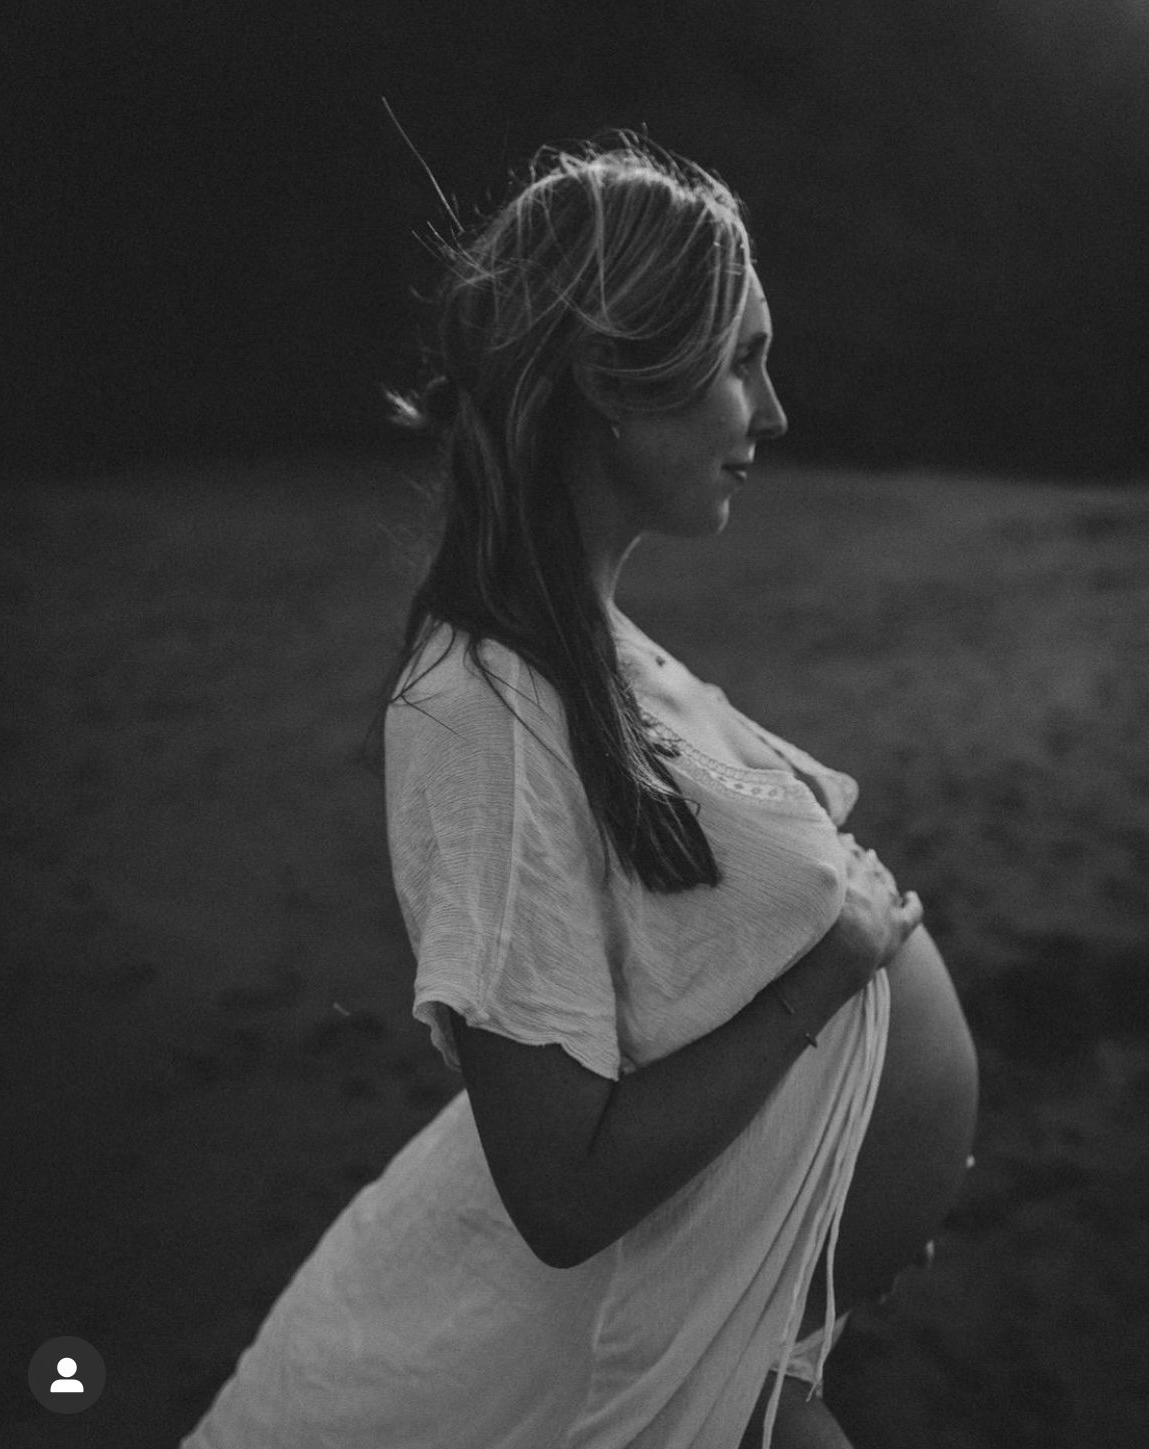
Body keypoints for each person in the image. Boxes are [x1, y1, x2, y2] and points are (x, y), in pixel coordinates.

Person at [179, 135, 978, 1449]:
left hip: (726, 1311)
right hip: (592, 1349)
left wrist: (841, 1198)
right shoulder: (477, 711)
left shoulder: (585, 645)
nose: (771, 413)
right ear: (617, 377)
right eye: (739, 359)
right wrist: (827, 973)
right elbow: (558, 1187)